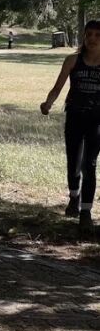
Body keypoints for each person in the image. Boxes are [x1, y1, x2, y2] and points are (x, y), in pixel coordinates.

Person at [41, 19, 100, 236]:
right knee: (73, 161)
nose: (92, 39)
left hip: (96, 120)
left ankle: (86, 213)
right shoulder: (73, 60)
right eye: (89, 34)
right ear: (83, 37)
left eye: (97, 35)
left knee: (89, 164)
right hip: (75, 116)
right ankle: (74, 197)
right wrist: (48, 103)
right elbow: (58, 87)